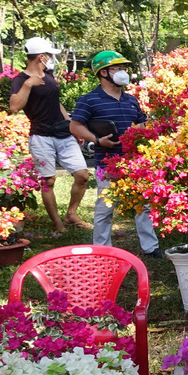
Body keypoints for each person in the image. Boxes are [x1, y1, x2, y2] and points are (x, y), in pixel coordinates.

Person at [69, 51, 162, 258]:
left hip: (133, 162)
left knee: (143, 205)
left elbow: (140, 123)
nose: (123, 72)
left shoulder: (131, 99)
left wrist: (144, 133)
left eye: (123, 68)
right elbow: (75, 126)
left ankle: (150, 247)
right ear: (103, 72)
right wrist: (97, 140)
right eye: (117, 68)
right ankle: (102, 250)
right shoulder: (89, 100)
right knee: (105, 208)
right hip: (106, 163)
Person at [9, 37, 90, 235]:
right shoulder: (20, 80)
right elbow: (14, 107)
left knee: (82, 176)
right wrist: (29, 85)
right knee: (48, 181)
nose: (51, 59)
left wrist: (72, 126)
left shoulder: (49, 75)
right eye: (49, 56)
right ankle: (57, 224)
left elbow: (56, 103)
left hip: (63, 133)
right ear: (40, 57)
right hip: (41, 136)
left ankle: (71, 214)